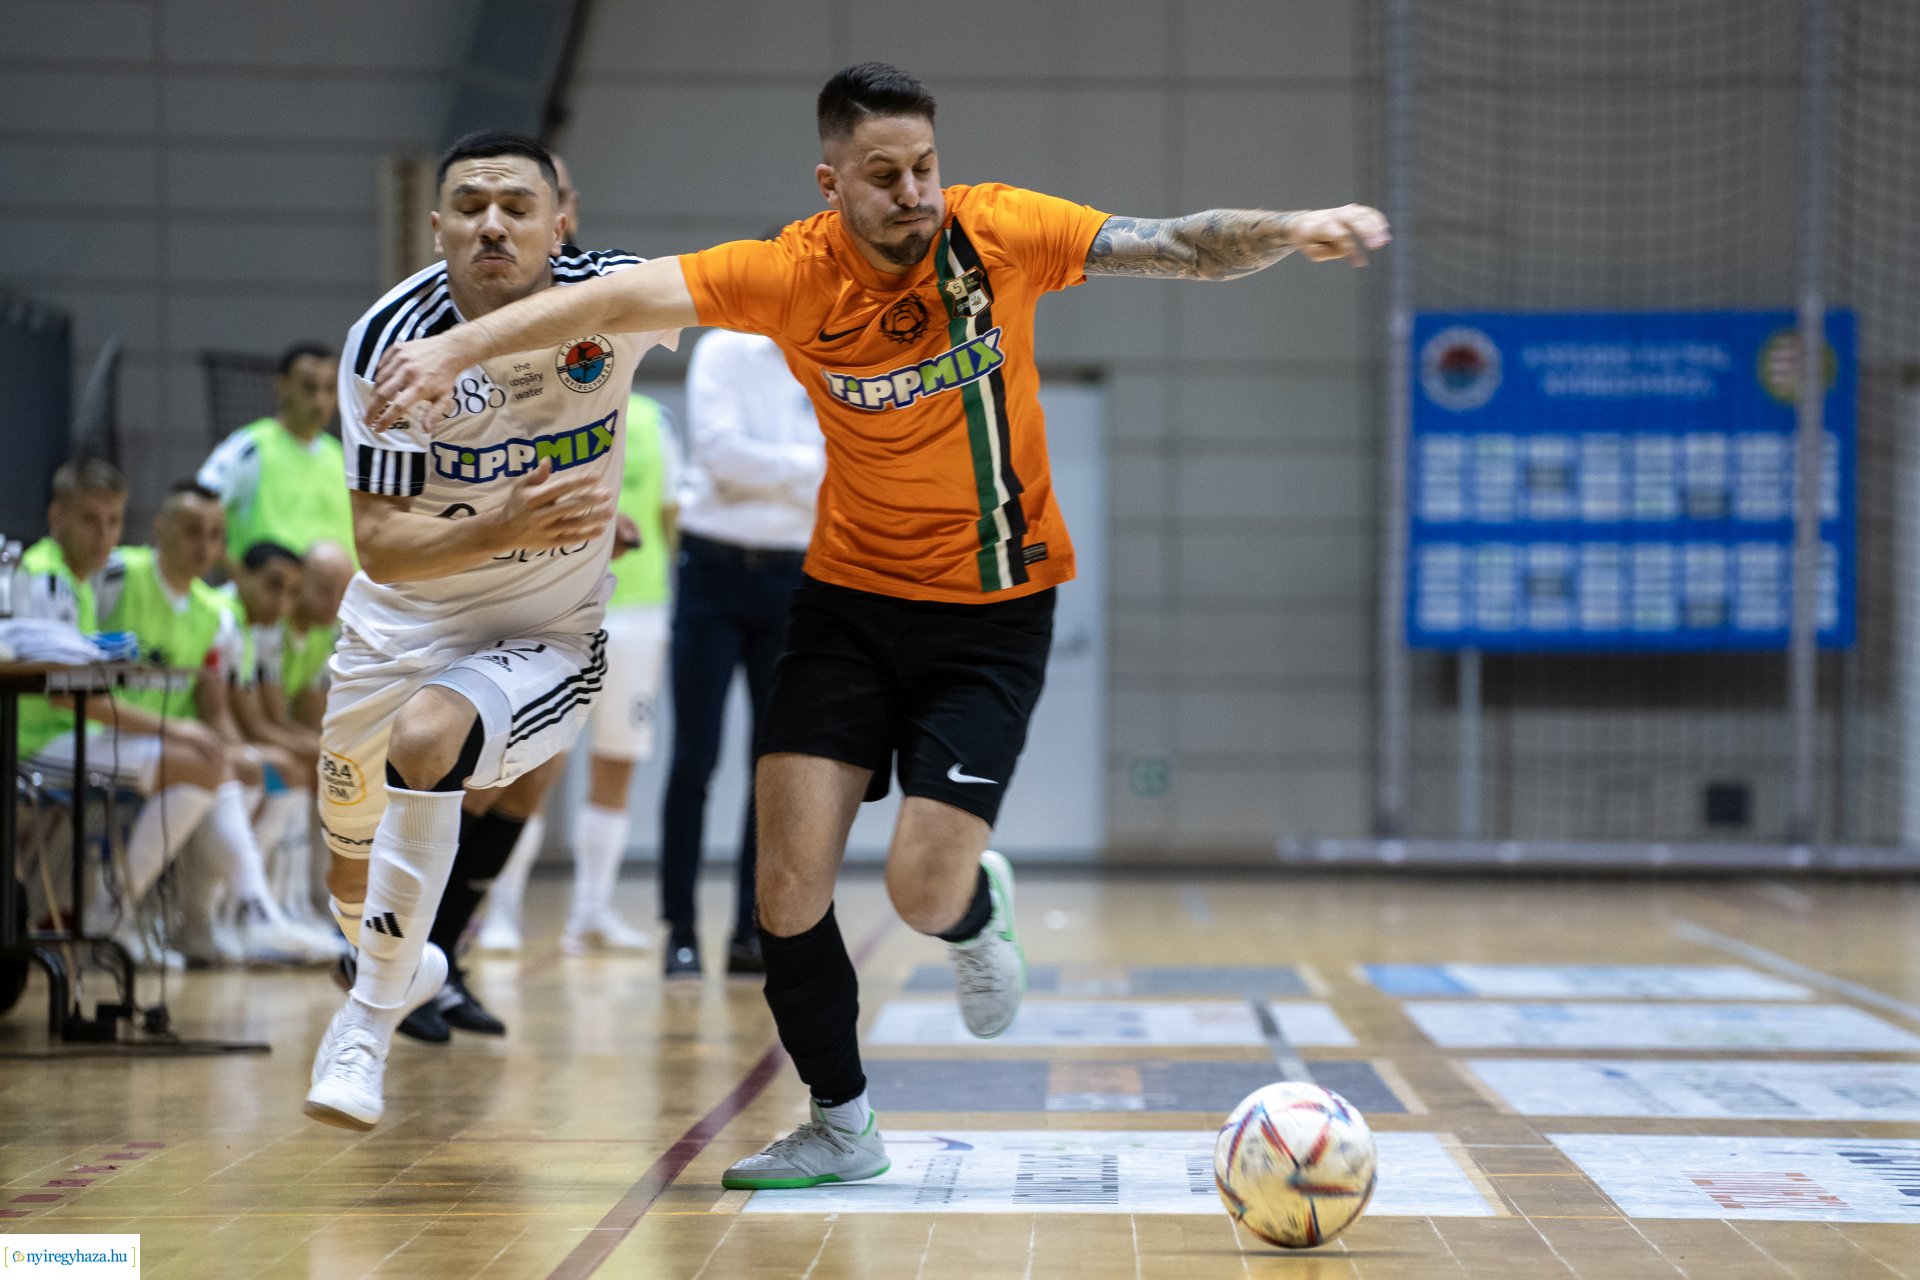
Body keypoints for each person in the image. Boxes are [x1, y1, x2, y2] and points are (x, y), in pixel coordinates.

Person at [366, 63, 1386, 1184]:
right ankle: (841, 1122)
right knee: (787, 889)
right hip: (846, 603)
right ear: (833, 180)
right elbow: (613, 299)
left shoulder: (999, 233)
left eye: (925, 169)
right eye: (885, 174)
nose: (914, 193)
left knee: (917, 886)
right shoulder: (789, 274)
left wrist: (1294, 226)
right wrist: (457, 345)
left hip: (995, 611)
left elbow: (1181, 243)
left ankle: (969, 909)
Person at [303, 129, 676, 1130]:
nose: (492, 224)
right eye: (469, 206)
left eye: (517, 204)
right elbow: (380, 543)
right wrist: (504, 522)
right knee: (345, 871)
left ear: (565, 219)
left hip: (545, 631)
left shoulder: (618, 298)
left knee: (431, 740)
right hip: (397, 627)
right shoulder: (388, 341)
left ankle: (363, 1029)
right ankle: (403, 962)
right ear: (436, 228)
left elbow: (752, 287)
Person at [477, 156, 683, 959]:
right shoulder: (502, 350)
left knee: (605, 761)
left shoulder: (654, 417)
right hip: (531, 597)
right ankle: (486, 914)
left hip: (637, 608)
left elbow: (673, 519)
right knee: (516, 757)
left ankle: (589, 911)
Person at [90, 481, 325, 963]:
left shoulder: (209, 615)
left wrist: (240, 752)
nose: (204, 545)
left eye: (215, 534)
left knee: (257, 774)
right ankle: (246, 909)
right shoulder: (116, 577)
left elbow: (219, 711)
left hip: (168, 746)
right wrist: (241, 747)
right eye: (193, 531)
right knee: (227, 771)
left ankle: (209, 918)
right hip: (99, 734)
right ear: (160, 530)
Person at [657, 323, 822, 978]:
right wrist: (803, 468)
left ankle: (752, 930)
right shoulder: (723, 349)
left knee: (774, 766)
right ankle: (681, 930)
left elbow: (844, 463)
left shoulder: (832, 353)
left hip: (794, 577)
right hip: (712, 572)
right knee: (694, 759)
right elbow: (721, 456)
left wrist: (773, 470)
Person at [197, 342, 355, 565]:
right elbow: (197, 510)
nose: (320, 401)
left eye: (329, 389)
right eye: (309, 388)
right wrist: (239, 577)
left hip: (339, 597)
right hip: (269, 597)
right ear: (282, 385)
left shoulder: (341, 456)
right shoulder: (251, 447)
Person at [282, 540, 352, 731]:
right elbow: (264, 724)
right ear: (299, 579)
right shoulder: (270, 622)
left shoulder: (325, 634)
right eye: (325, 590)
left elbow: (310, 716)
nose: (334, 603)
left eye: (343, 593)